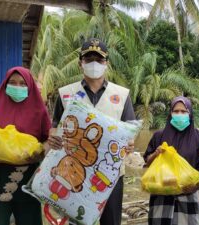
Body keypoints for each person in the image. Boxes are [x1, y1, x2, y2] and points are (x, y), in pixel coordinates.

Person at [47, 38, 136, 225]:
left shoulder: (121, 95)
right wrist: (52, 138)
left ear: (106, 64)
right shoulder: (65, 94)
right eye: (88, 59)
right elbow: (56, 127)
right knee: (75, 219)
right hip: (73, 171)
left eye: (99, 59)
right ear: (81, 63)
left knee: (111, 220)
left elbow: (129, 130)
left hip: (110, 174)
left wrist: (129, 144)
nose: (94, 63)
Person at [0, 66, 52, 225]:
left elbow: (48, 139)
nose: (17, 87)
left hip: (28, 176)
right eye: (12, 82)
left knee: (28, 217)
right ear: (5, 84)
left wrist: (39, 153)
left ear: (30, 86)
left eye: (22, 84)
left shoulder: (39, 111)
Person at [143, 96, 199, 225]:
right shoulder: (159, 136)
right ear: (170, 113)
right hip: (161, 193)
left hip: (188, 194)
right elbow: (147, 162)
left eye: (184, 111)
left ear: (190, 114)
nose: (179, 114)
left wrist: (198, 184)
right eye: (176, 111)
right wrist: (156, 154)